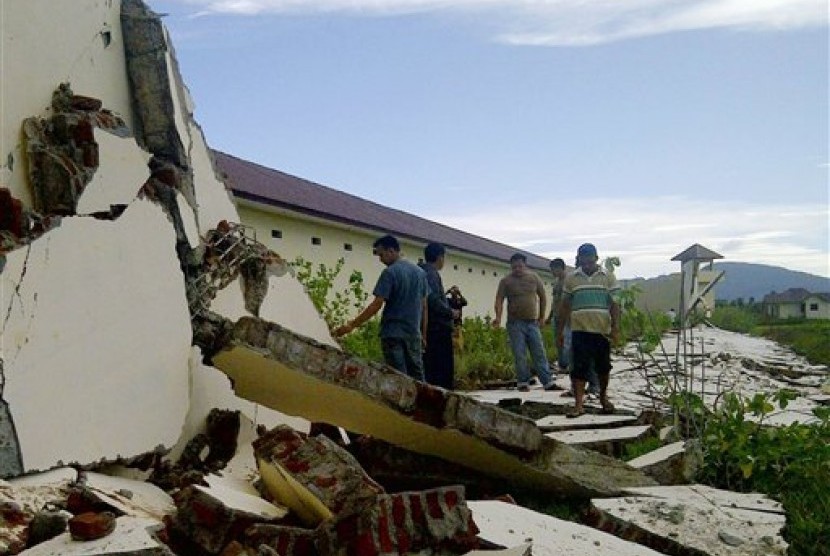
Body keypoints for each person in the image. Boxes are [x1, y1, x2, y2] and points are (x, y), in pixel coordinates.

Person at [333, 235, 428, 381]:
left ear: (391, 251)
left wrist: (352, 325)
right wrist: (423, 334)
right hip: (413, 334)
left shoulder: (390, 273)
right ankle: (423, 404)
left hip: (393, 334)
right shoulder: (420, 273)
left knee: (398, 378)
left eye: (381, 254)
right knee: (418, 378)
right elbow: (424, 307)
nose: (380, 259)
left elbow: (376, 305)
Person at [558, 243, 621, 418]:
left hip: (602, 331)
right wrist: (561, 331)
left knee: (603, 367)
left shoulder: (608, 277)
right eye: (582, 258)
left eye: (589, 258)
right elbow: (564, 306)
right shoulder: (571, 279)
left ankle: (603, 398)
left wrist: (616, 328)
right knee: (578, 368)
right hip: (579, 331)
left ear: (596, 258)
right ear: (579, 258)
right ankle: (579, 405)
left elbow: (615, 304)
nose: (586, 261)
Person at [493, 253, 556, 392]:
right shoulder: (506, 281)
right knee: (519, 353)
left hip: (532, 322)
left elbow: (543, 297)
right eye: (514, 267)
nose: (517, 269)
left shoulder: (534, 277)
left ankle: (547, 381)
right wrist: (498, 318)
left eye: (520, 266)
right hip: (515, 323)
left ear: (525, 265)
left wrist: (542, 317)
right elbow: (499, 300)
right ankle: (522, 381)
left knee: (539, 352)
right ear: (511, 267)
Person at [418, 243, 460, 389]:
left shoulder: (421, 271)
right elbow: (432, 300)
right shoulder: (431, 273)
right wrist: (450, 312)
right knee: (442, 368)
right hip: (437, 327)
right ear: (440, 257)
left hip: (426, 326)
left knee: (429, 366)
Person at [446, 285, 467, 354]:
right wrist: (447, 292)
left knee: (459, 342)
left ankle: (460, 353)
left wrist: (459, 294)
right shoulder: (448, 300)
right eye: (453, 291)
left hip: (458, 324)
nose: (454, 293)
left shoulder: (459, 301)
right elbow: (441, 299)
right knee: (451, 341)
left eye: (455, 291)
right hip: (450, 323)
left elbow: (465, 302)